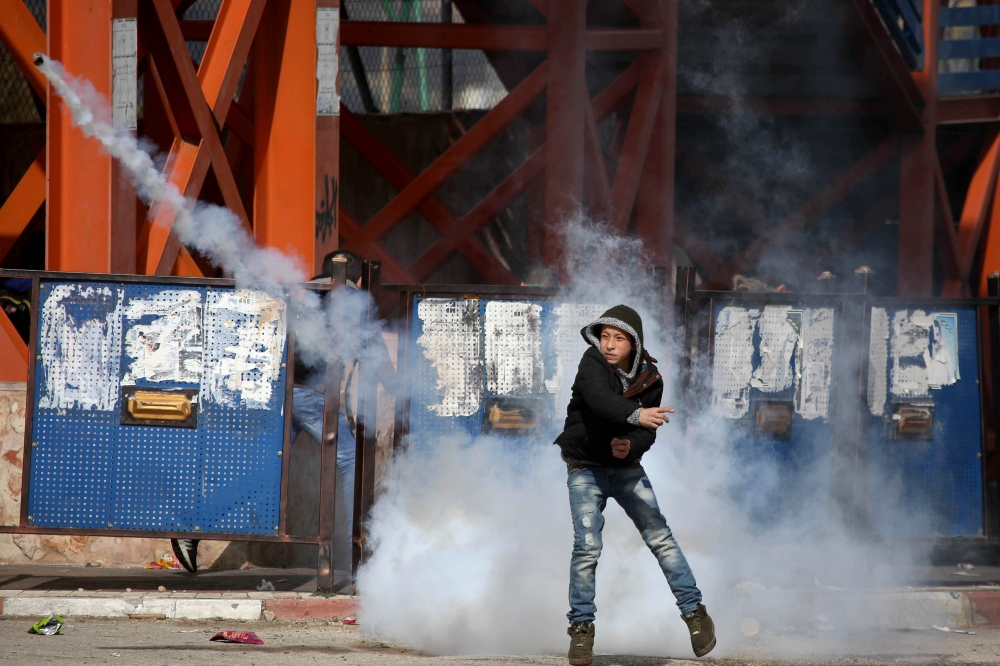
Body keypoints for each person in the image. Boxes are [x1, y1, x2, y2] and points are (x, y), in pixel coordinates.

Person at [171, 250, 395, 574]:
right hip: (313, 399)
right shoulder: (352, 303)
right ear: (359, 279)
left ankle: (190, 524)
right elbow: (385, 370)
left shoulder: (301, 294)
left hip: (277, 395)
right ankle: (357, 557)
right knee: (349, 462)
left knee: (266, 475)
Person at [555, 304, 715, 664]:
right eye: (605, 337)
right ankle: (581, 631)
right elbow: (599, 400)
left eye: (619, 339)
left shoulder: (651, 378)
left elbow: (647, 433)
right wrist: (637, 414)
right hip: (585, 467)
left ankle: (695, 614)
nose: (609, 345)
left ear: (635, 345)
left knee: (661, 538)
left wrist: (633, 443)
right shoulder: (591, 362)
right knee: (587, 548)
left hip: (626, 468)